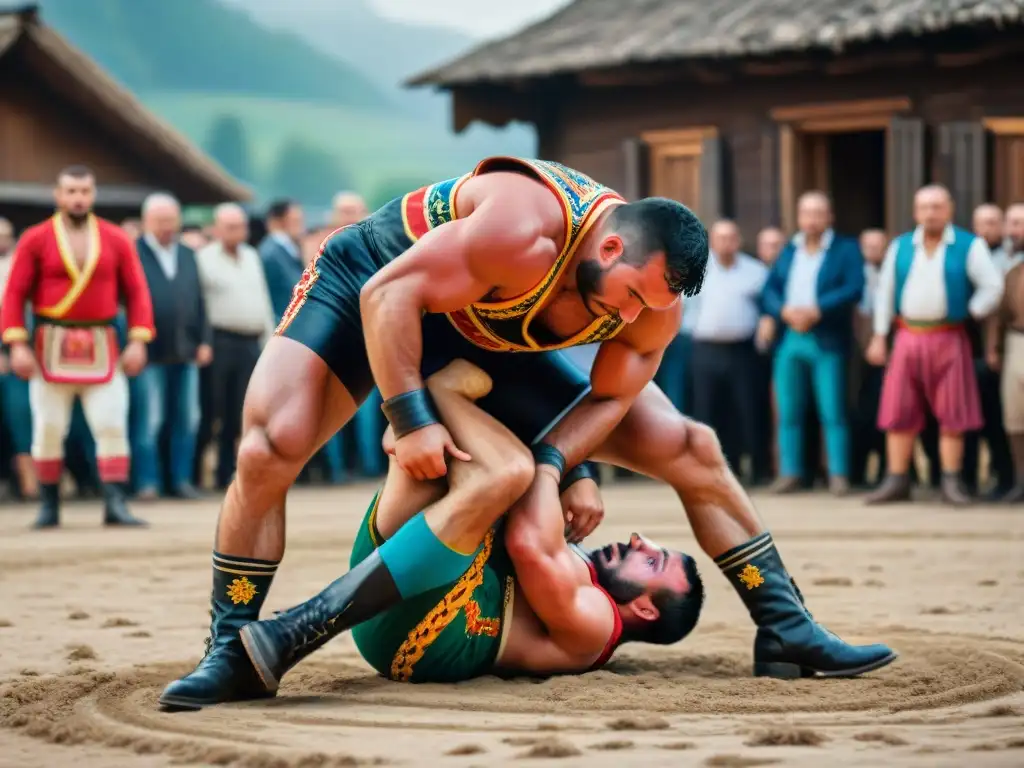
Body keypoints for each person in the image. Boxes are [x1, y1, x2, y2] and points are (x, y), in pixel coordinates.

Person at [160, 158, 895, 710]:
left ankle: (784, 622)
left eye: (656, 308)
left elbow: (613, 395)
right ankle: (232, 642)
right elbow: (393, 296)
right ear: (608, 250)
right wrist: (409, 418)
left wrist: (553, 464)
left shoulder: (654, 304)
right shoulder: (526, 227)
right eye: (634, 298)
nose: (638, 319)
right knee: (269, 446)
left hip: (487, 335)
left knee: (690, 446)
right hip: (376, 290)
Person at [238, 361, 703, 690]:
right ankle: (417, 426)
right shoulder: (586, 576)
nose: (638, 540)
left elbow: (525, 540)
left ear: (644, 609)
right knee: (453, 466)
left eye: (652, 559)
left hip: (422, 639)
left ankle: (435, 398)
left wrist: (562, 464)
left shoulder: (597, 626)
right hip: (424, 574)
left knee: (510, 474)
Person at [0, 166, 154, 528]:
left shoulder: (116, 238)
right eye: (71, 191)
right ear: (58, 195)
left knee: (111, 424)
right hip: (49, 347)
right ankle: (49, 506)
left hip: (103, 344)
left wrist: (138, 339)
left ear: (93, 194)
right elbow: (14, 295)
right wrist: (17, 344)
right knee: (48, 427)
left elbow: (136, 292)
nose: (78, 198)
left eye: (84, 191)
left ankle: (115, 504)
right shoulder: (35, 238)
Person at [867, 185, 1004, 505]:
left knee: (953, 409)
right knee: (898, 408)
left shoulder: (969, 245)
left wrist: (972, 312)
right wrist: (878, 336)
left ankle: (951, 481)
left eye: (937, 206)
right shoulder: (900, 246)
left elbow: (993, 287)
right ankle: (897, 479)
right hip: (907, 335)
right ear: (916, 212)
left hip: (949, 335)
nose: (931, 213)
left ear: (949, 209)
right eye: (925, 207)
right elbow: (884, 293)